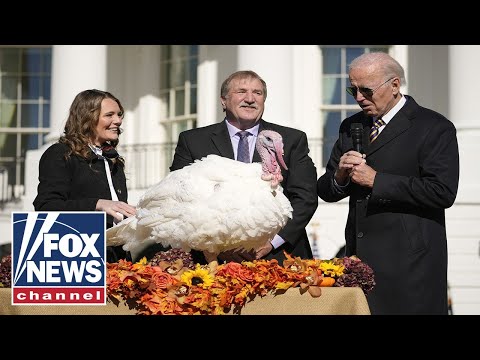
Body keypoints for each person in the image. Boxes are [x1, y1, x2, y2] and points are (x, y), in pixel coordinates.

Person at [317, 52, 459, 315]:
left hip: (411, 266)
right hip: (359, 262)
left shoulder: (433, 126)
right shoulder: (351, 126)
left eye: (366, 90)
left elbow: (443, 192)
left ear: (394, 85)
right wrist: (340, 177)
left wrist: (377, 181)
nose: (359, 98)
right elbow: (326, 189)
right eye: (353, 89)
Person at [168, 70, 318, 264]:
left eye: (257, 93)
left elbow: (305, 198)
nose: (250, 99)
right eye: (241, 92)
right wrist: (217, 247)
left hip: (279, 257)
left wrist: (271, 242)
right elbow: (179, 198)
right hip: (213, 260)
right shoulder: (193, 141)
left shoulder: (290, 140)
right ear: (223, 101)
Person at [33, 89, 137, 263]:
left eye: (119, 115)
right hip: (77, 258)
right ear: (87, 118)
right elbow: (46, 206)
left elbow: (113, 210)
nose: (118, 121)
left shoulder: (113, 159)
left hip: (116, 258)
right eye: (109, 115)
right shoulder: (60, 153)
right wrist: (97, 204)